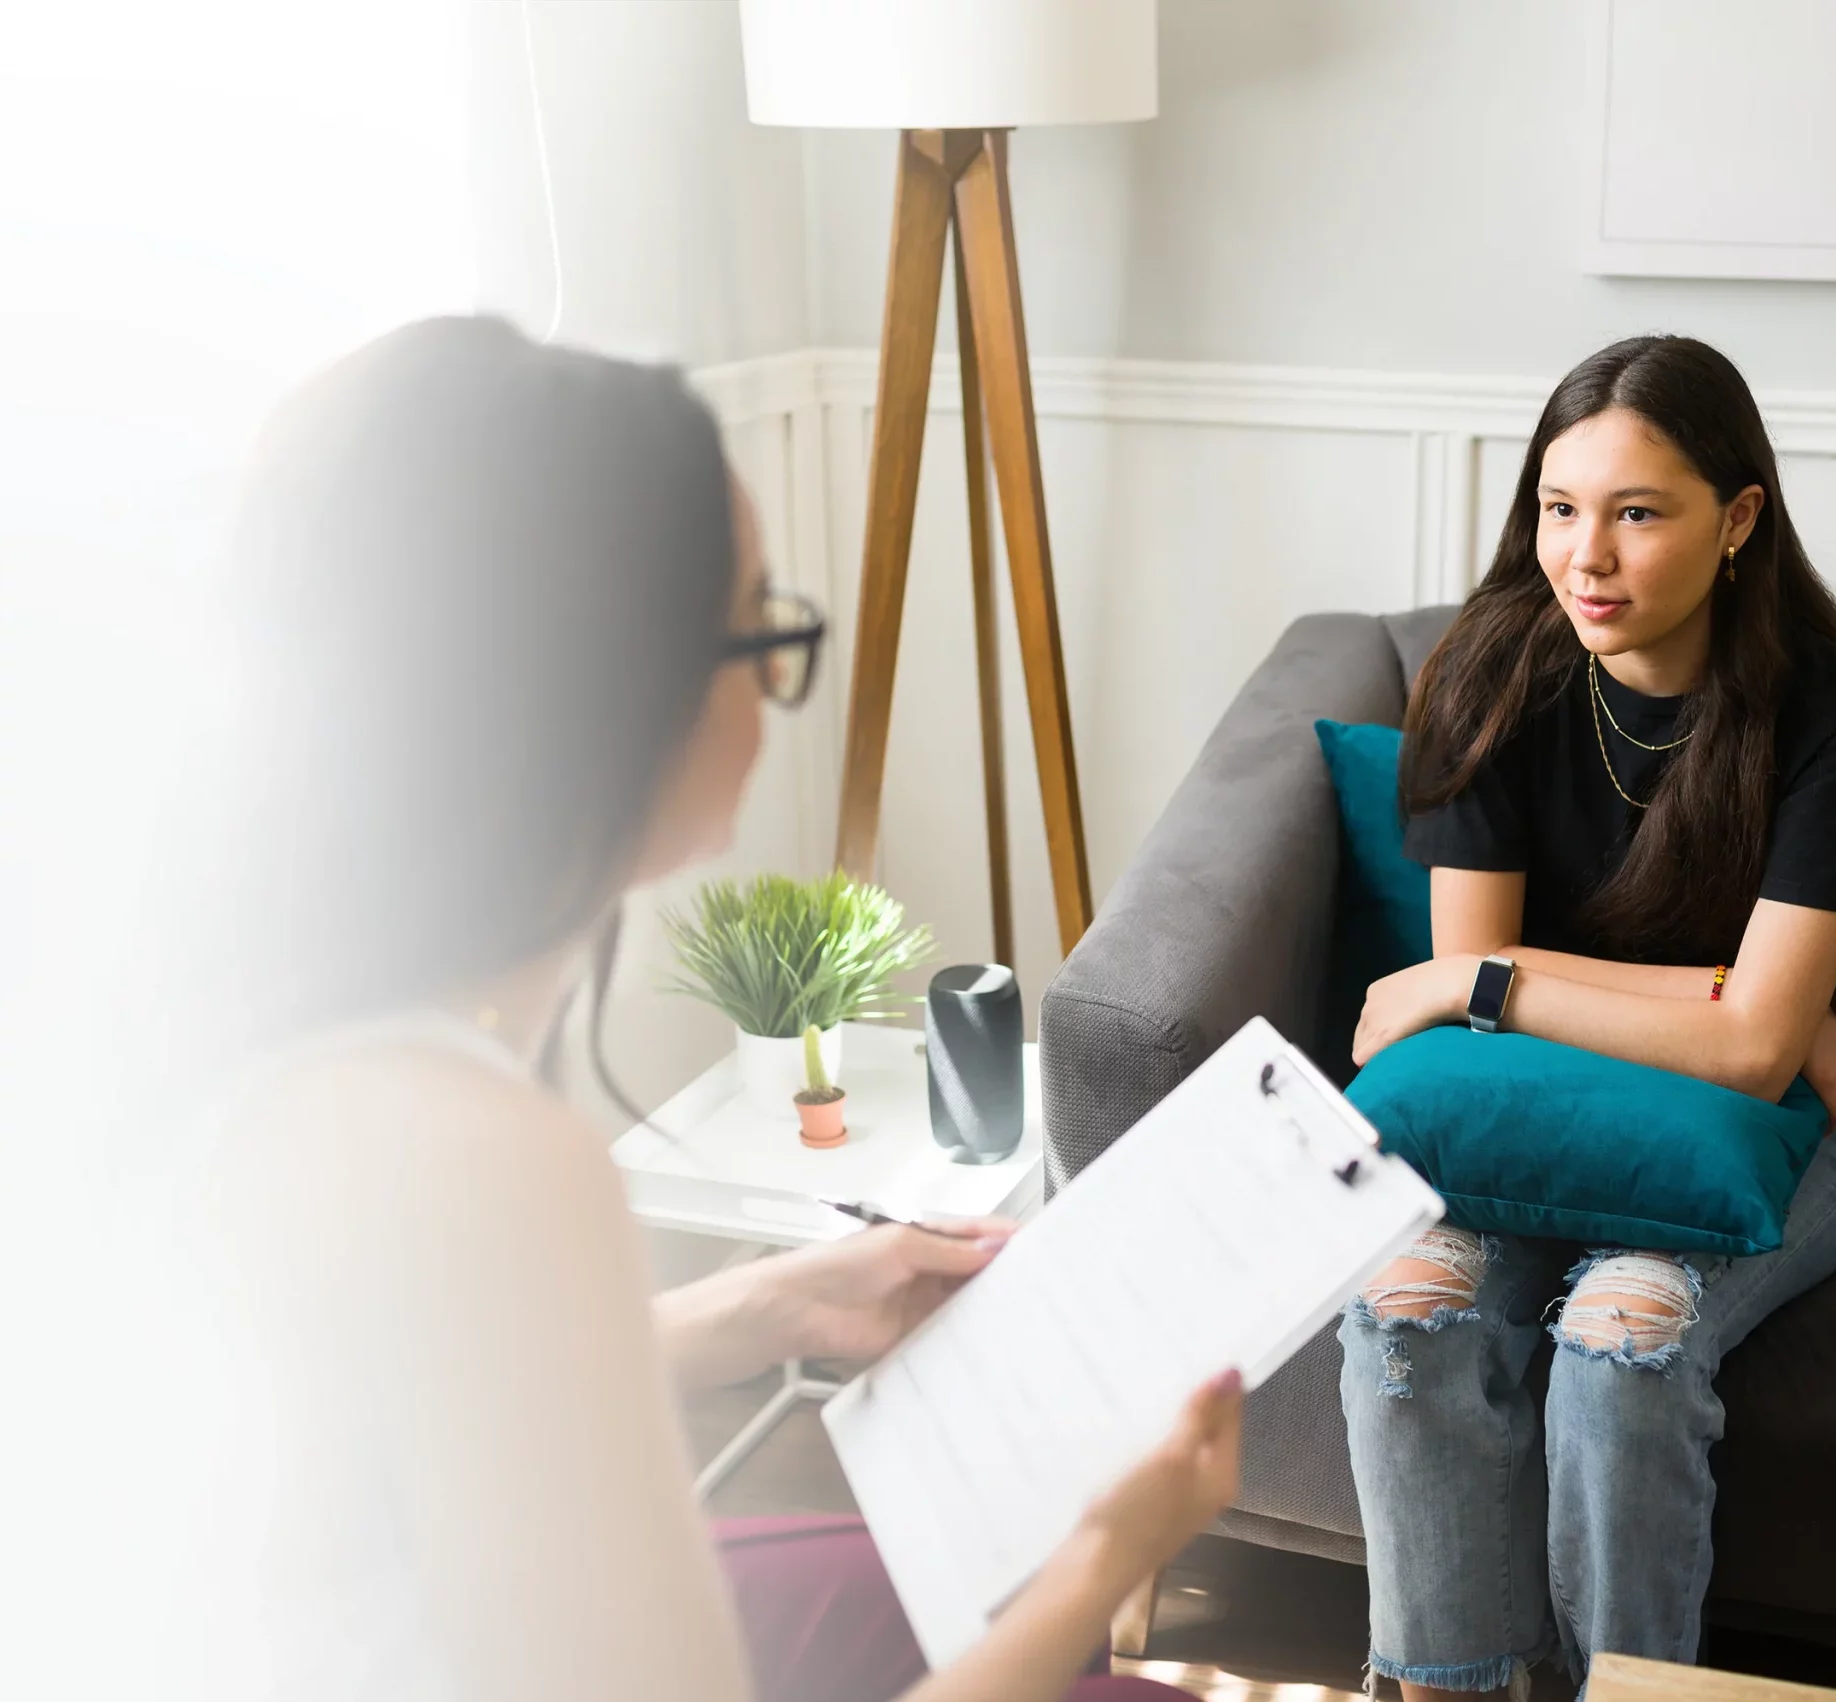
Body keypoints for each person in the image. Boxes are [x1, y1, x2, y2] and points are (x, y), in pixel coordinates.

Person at [209, 317, 1238, 1702]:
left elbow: (391, 1416)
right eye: (765, 625)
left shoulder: (271, 1023)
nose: (772, 677)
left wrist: (777, 1303)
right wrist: (1105, 1557)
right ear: (610, 698)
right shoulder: (482, 1153)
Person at [1336, 335, 1836, 1696]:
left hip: (1756, 1135)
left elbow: (1754, 1055)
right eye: (1557, 506)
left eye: (1636, 511)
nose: (1583, 554)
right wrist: (1720, 999)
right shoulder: (1491, 677)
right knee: (1403, 1302)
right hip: (1527, 1125)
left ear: (1738, 521)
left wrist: (1487, 981)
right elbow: (1747, 1016)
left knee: (1621, 1342)